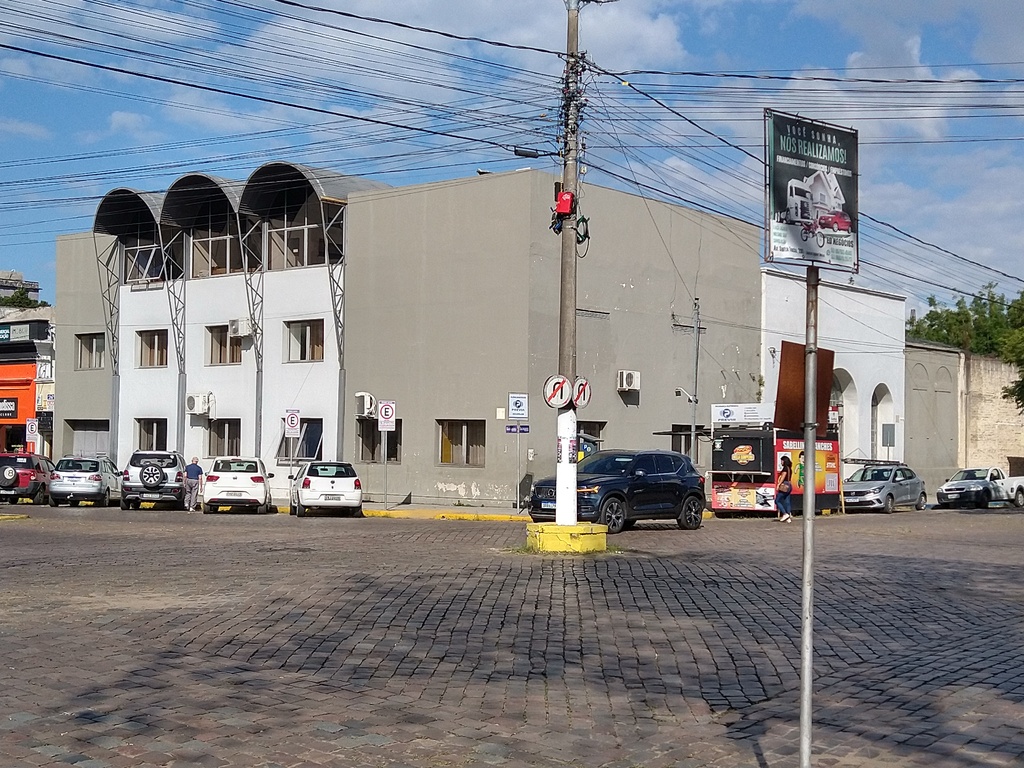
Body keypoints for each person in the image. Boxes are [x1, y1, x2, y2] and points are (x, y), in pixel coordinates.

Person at [776, 454, 793, 523]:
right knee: (787, 501)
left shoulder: (785, 468)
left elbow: (783, 477)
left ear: (784, 461)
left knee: (777, 500)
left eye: (782, 461)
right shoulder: (789, 468)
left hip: (784, 485)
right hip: (789, 485)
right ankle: (788, 516)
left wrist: (778, 484)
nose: (781, 462)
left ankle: (785, 514)